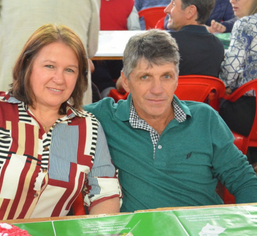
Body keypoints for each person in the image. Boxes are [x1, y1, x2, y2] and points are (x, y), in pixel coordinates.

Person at [0, 24, 121, 223]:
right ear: (27, 66)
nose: (59, 79)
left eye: (70, 70)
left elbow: (105, 196)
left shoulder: (88, 128)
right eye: (49, 66)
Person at [86, 29, 257, 212]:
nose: (157, 89)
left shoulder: (205, 118)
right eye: (145, 77)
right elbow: (56, 112)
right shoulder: (102, 117)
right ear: (126, 82)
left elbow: (243, 180)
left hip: (202, 228)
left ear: (177, 79)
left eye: (166, 76)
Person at [0, 0, 100, 105]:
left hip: (10, 72)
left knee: (0, 129)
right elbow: (90, 46)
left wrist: (8, 54)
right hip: (67, 83)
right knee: (72, 133)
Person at [116, 0, 225, 93]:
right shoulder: (218, 47)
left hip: (154, 114)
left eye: (173, 4)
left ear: (190, 11)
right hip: (200, 115)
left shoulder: (158, 44)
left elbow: (123, 84)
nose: (166, 9)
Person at [219, 0, 257, 172]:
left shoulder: (245, 24)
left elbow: (230, 73)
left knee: (210, 109)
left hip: (251, 116)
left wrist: (226, 86)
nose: (232, 0)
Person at [92, 0, 140, 98]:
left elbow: (135, 33)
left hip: (122, 55)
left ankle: (123, 95)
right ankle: (108, 96)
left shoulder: (128, 3)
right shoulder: (90, 4)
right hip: (97, 56)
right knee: (96, 68)